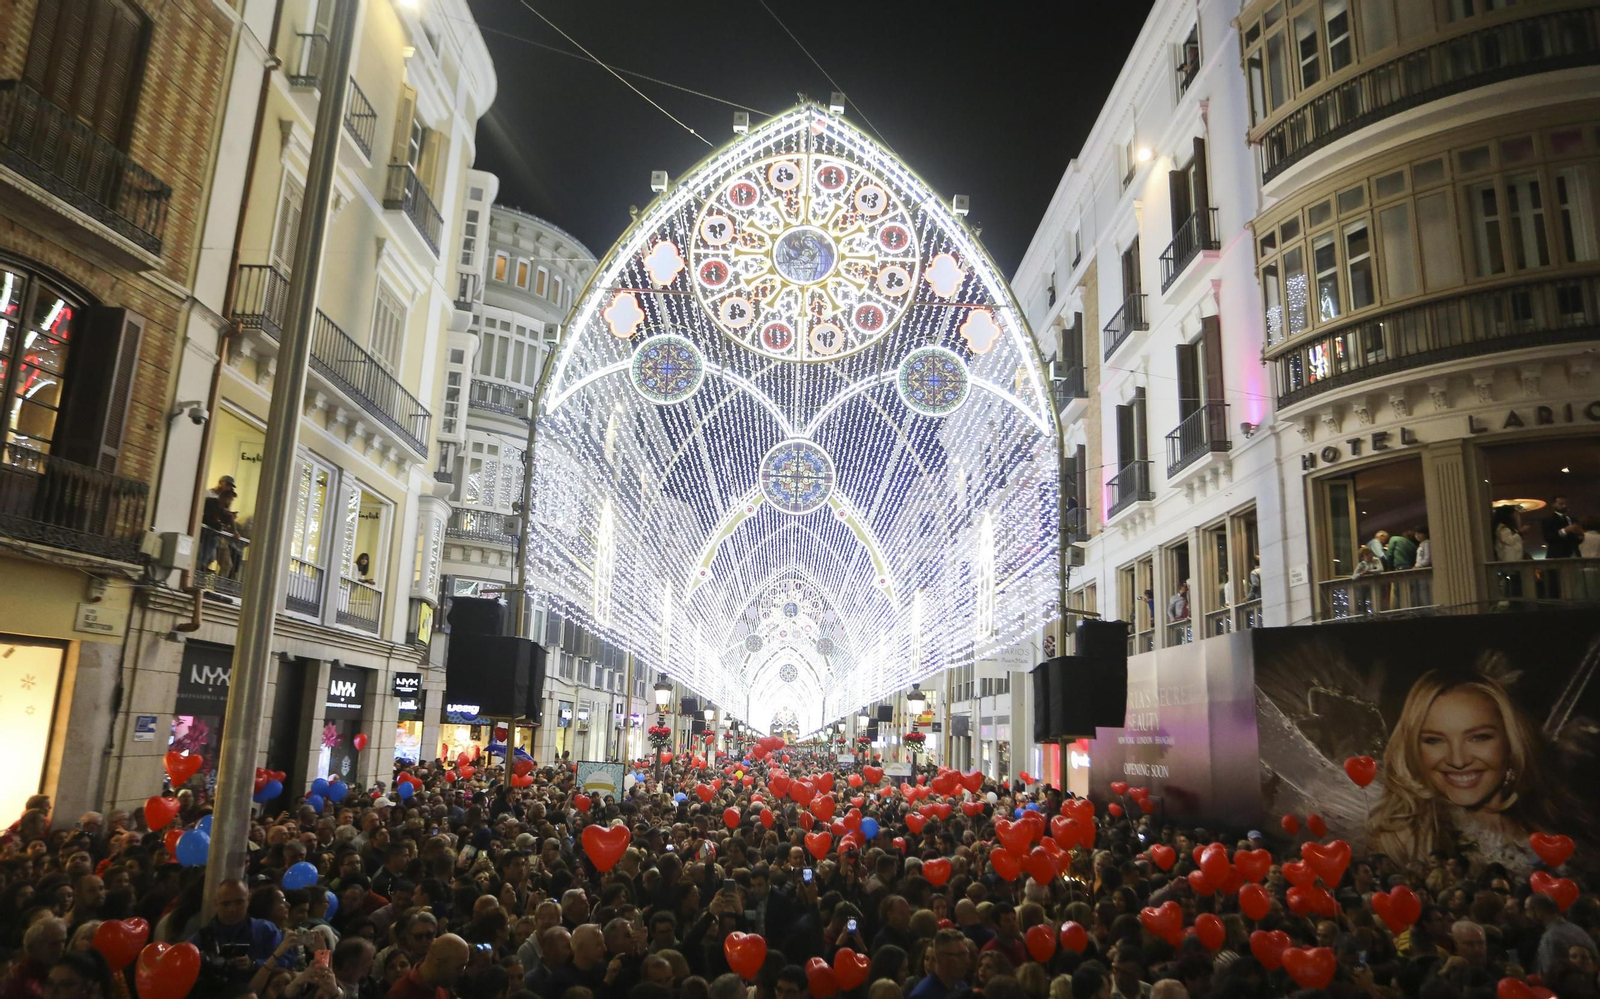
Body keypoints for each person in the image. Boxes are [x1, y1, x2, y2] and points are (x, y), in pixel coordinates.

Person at [1369, 665, 1556, 872]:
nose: (1458, 760)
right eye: (1434, 740)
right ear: (1413, 749)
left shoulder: (1559, 827)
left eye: (1478, 737)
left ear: (1511, 743)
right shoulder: (1398, 846)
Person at [1527, 892, 1597, 977]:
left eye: (1528, 910)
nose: (1527, 915)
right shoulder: (1577, 929)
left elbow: (1550, 976)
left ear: (1538, 910)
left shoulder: (1550, 938)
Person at [387, 933, 470, 999]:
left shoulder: (441, 987)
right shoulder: (399, 994)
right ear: (438, 961)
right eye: (459, 967)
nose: (461, 974)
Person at [1, 917, 66, 998]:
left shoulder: (62, 972)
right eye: (53, 944)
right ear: (33, 947)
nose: (61, 948)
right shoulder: (18, 979)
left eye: (63, 942)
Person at [908, 928, 971, 999]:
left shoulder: (962, 987)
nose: (967, 961)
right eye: (959, 955)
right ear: (940, 957)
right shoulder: (922, 995)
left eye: (966, 954)